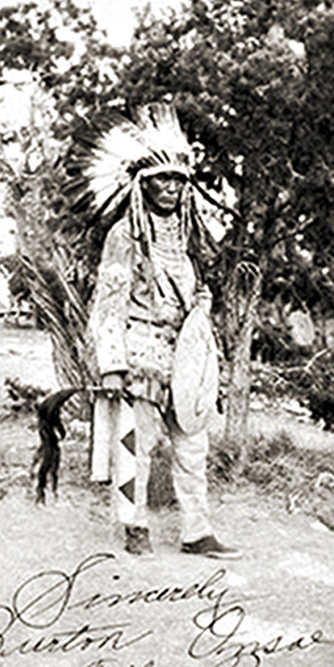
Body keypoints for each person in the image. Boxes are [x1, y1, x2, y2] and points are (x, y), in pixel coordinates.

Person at [81, 104, 241, 560]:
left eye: (177, 180)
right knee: (139, 443)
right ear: (141, 184)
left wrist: (202, 313)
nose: (170, 188)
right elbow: (107, 303)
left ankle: (197, 532)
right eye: (159, 180)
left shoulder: (190, 235)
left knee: (193, 445)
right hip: (140, 354)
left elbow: (194, 295)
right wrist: (111, 364)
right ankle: (133, 525)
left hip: (185, 358)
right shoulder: (124, 234)